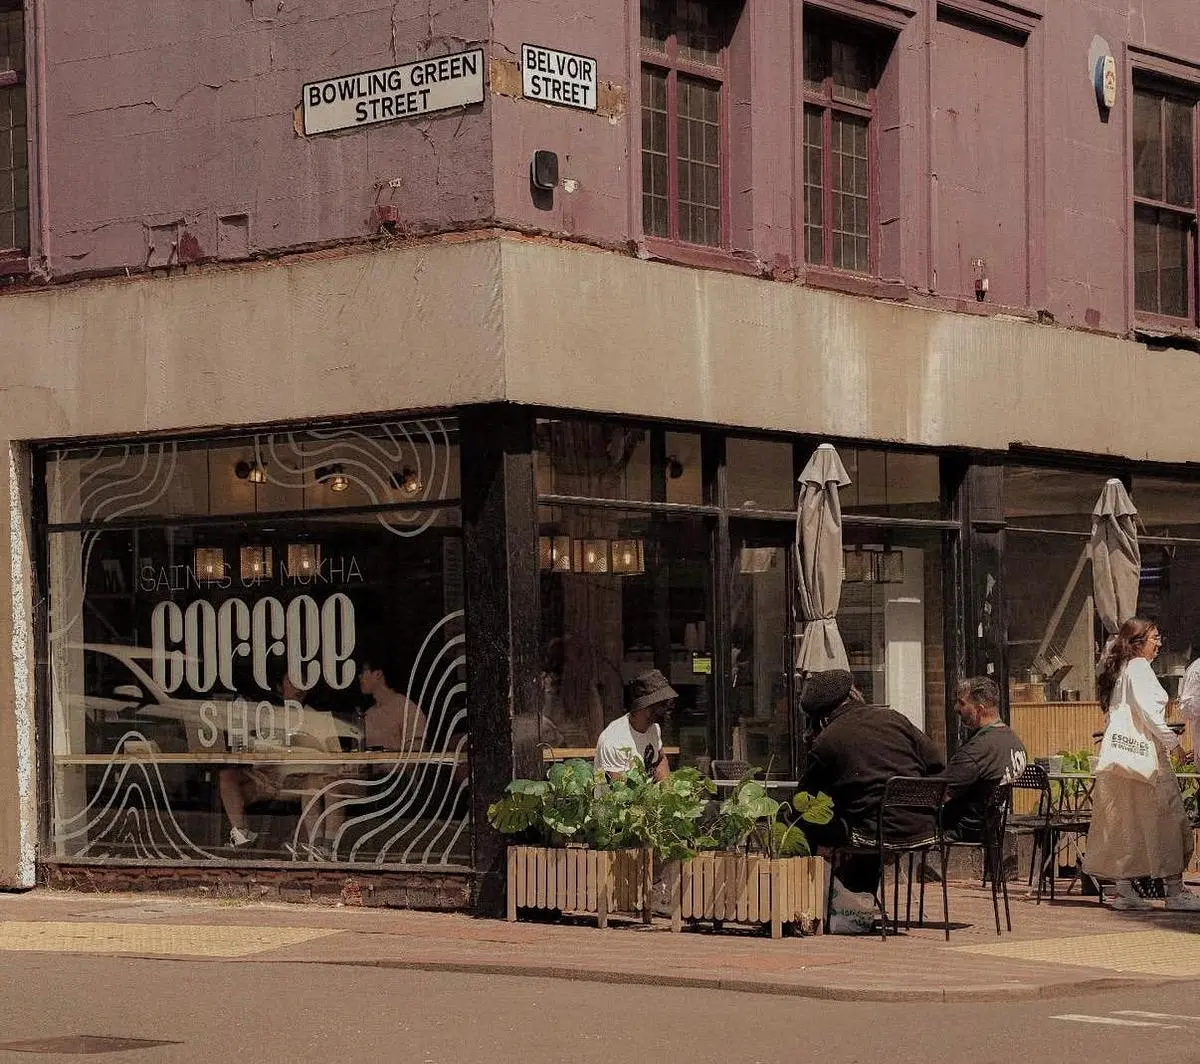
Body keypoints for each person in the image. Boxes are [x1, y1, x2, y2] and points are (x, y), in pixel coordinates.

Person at [1084, 618, 1200, 911]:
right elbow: (1151, 716)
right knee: (1170, 820)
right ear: (1138, 643)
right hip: (1149, 759)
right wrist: (1175, 746)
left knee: (1127, 823)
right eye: (1154, 638)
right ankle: (1174, 890)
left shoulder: (1120, 670)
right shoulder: (1139, 668)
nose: (1158, 644)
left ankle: (1125, 891)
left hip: (1123, 760)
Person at [798, 669, 945, 893]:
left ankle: (814, 895)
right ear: (854, 694)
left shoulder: (827, 740)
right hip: (922, 826)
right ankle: (859, 895)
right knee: (867, 815)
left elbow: (805, 797)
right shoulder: (895, 718)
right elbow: (936, 763)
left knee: (804, 822)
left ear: (821, 716)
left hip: (872, 832)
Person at [939, 677, 1027, 842]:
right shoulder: (1015, 742)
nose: (956, 708)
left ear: (979, 710)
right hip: (990, 826)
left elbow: (938, 794)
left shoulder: (977, 750)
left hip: (961, 829)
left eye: (962, 703)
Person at [593, 668, 676, 781]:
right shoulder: (614, 740)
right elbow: (619, 789)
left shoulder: (654, 729)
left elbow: (661, 759)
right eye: (663, 704)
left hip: (648, 791)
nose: (668, 710)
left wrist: (667, 788)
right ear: (645, 707)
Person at [358, 652, 427, 752]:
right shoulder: (367, 715)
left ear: (378, 674)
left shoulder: (407, 709)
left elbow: (415, 754)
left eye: (363, 672)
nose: (360, 677)